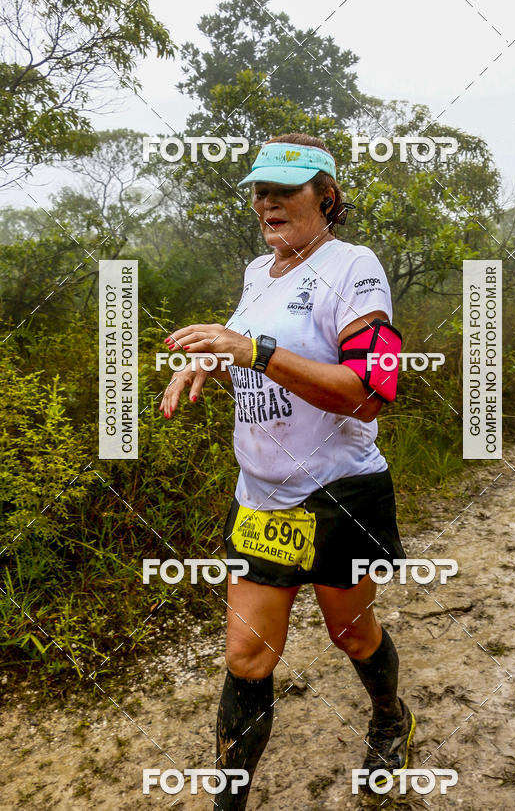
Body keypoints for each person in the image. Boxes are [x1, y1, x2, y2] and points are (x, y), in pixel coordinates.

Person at [159, 133, 416, 808]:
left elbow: (370, 388)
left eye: (284, 191)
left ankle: (390, 716)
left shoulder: (354, 266)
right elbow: (251, 348)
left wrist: (251, 348)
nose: (265, 202)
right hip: (262, 496)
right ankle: (229, 802)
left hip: (336, 491)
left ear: (326, 198)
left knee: (350, 632)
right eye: (258, 189)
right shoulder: (255, 272)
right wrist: (213, 357)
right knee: (246, 659)